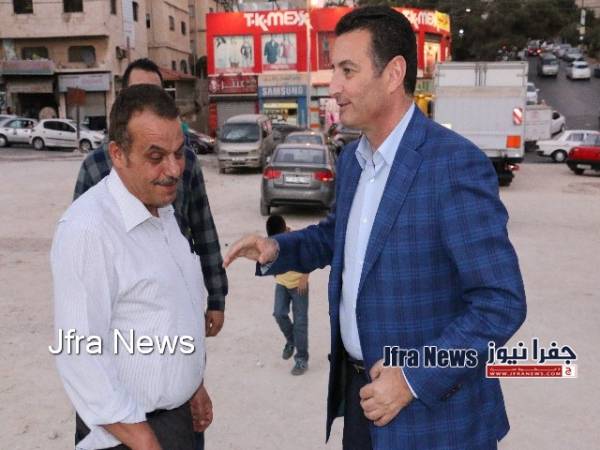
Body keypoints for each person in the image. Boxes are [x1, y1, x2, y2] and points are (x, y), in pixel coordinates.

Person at [224, 6, 526, 450]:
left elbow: (501, 303)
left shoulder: (453, 165)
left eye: (347, 71)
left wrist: (414, 378)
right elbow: (338, 237)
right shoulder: (353, 160)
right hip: (361, 400)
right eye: (334, 70)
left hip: (436, 422)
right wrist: (277, 248)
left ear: (393, 74)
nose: (334, 86)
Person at [73, 58, 226, 450]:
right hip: (123, 422)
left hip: (175, 414)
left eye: (177, 154)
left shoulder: (169, 203)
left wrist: (193, 381)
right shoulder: (90, 210)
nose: (172, 169)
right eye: (156, 157)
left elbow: (203, 232)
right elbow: (80, 344)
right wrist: (141, 438)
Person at [266, 215, 310, 375]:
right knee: (279, 313)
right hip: (282, 284)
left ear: (285, 230)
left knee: (300, 323)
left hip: (299, 286)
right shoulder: (272, 241)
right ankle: (291, 340)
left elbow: (310, 257)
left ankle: (301, 359)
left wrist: (304, 277)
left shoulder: (296, 240)